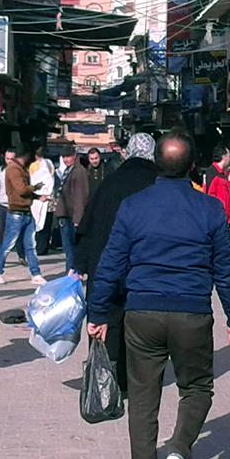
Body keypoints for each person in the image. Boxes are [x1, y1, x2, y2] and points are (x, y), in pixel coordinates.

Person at [87, 135, 230, 459]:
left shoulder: (133, 206)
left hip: (141, 312)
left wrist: (97, 311)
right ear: (193, 166)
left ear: (155, 163)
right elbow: (226, 268)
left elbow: (111, 263)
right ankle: (179, 447)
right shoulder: (209, 209)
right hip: (192, 312)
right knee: (197, 388)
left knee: (143, 394)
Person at [76, 134, 159, 393]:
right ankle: (132, 383)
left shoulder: (109, 183)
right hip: (146, 269)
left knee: (106, 324)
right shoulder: (159, 183)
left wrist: (80, 265)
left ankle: (104, 385)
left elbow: (87, 227)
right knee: (141, 327)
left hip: (106, 267)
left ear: (128, 152)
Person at [0, 147, 45, 286]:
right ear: (26, 156)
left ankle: (36, 273)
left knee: (30, 245)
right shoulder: (14, 169)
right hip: (16, 212)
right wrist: (35, 188)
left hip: (26, 211)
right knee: (8, 243)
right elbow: (21, 190)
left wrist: (37, 196)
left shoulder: (21, 169)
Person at [54, 148, 91, 273]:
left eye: (68, 156)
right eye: (63, 157)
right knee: (68, 248)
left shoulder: (79, 172)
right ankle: (71, 272)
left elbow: (80, 196)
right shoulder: (70, 170)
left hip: (71, 216)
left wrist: (78, 218)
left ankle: (72, 273)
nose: (66, 160)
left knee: (71, 249)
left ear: (75, 156)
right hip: (66, 214)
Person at [30, 147, 56, 256]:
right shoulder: (51, 165)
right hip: (49, 199)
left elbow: (32, 181)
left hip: (38, 198)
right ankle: (43, 247)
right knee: (46, 224)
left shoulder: (33, 166)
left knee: (37, 222)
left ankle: (37, 247)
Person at [204, 147, 230, 224]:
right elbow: (210, 195)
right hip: (217, 219)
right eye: (229, 156)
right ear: (224, 156)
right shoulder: (212, 173)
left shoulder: (222, 174)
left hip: (224, 219)